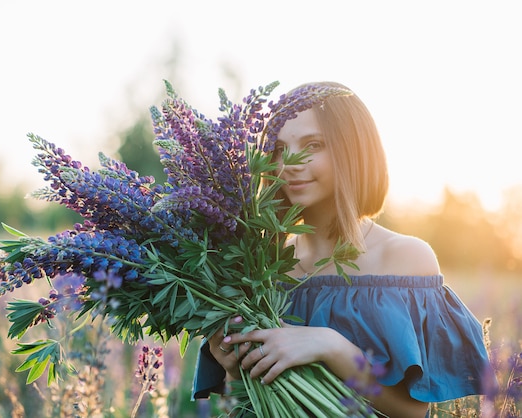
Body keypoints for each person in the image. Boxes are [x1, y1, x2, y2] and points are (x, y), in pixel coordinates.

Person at [192, 81, 494, 417]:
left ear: (353, 151)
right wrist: (236, 370)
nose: (289, 162)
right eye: (278, 148)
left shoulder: (403, 258)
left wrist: (331, 347)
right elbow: (245, 404)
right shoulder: (261, 267)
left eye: (313, 144)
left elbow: (410, 412)